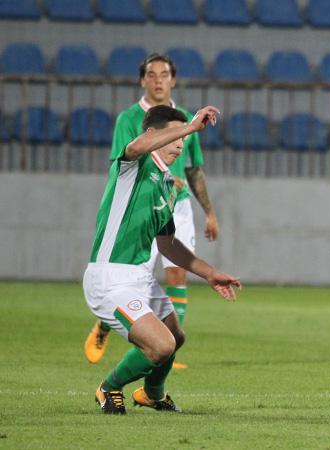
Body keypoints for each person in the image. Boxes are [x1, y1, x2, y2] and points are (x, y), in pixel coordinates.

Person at [83, 104, 241, 414]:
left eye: (183, 138)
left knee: (176, 336)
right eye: (175, 135)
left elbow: (168, 245)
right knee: (161, 345)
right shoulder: (133, 166)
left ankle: (152, 393)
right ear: (153, 134)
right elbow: (136, 146)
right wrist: (191, 126)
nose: (181, 143)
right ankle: (109, 387)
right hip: (109, 278)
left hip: (139, 279)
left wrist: (209, 273)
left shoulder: (167, 185)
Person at [84, 53, 220, 369]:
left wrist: (209, 216)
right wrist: (188, 128)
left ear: (173, 79)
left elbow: (193, 169)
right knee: (142, 294)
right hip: (132, 220)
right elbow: (130, 154)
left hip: (171, 200)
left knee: (175, 281)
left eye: (164, 74)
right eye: (151, 74)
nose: (158, 80)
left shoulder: (182, 122)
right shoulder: (133, 122)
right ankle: (119, 339)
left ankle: (161, 364)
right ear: (142, 80)